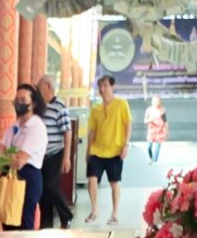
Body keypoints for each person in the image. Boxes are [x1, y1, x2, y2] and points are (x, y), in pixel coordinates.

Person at [86, 75, 134, 225]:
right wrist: (88, 150)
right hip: (97, 150)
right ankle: (94, 211)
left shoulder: (121, 104)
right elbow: (92, 131)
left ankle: (114, 214)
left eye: (105, 85)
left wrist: (125, 145)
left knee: (114, 183)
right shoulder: (95, 109)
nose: (102, 89)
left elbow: (128, 125)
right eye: (100, 86)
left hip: (115, 151)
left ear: (112, 87)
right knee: (92, 180)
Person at [3, 84, 48, 231]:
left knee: (24, 222)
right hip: (10, 176)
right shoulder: (15, 126)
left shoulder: (36, 126)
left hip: (28, 177)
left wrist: (8, 157)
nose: (19, 103)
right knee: (7, 220)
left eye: (23, 99)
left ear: (33, 103)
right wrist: (8, 157)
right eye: (16, 100)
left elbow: (20, 160)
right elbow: (0, 151)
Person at [36, 76, 75, 229]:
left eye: (40, 87)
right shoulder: (39, 107)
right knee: (43, 191)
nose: (38, 91)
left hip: (55, 153)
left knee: (50, 185)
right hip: (40, 155)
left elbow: (67, 132)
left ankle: (66, 214)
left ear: (48, 87)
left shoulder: (60, 106)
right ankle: (46, 224)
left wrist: (67, 157)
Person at [145, 94, 167, 164]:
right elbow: (145, 121)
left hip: (160, 131)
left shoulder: (162, 110)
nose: (156, 103)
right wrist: (151, 119)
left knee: (157, 146)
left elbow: (165, 121)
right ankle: (151, 158)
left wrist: (166, 131)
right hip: (151, 131)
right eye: (155, 101)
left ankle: (154, 160)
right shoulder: (149, 110)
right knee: (148, 147)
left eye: (158, 101)